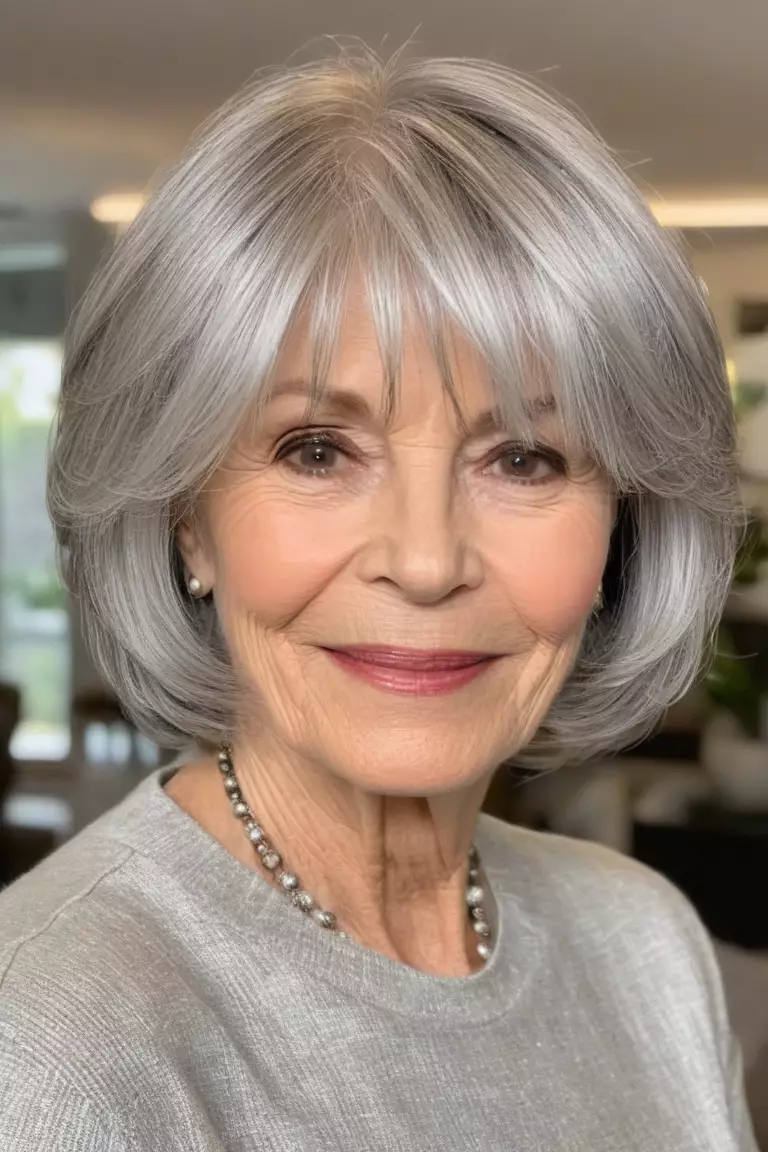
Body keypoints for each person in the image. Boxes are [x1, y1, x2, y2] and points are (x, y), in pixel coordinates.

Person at [0, 47, 757, 1151]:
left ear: (623, 523)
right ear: (186, 515)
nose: (425, 558)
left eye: (526, 459)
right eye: (317, 449)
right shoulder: (51, 1053)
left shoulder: (646, 944)